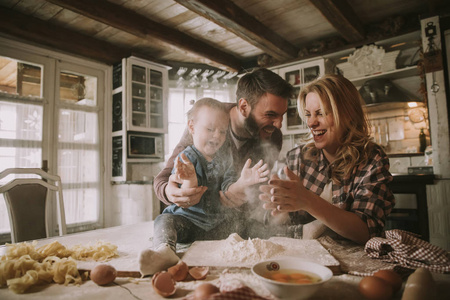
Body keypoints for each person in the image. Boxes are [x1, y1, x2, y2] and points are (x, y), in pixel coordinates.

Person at [153, 68, 294, 238]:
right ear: (243, 106)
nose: (279, 124)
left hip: (227, 223)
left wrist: (242, 193)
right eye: (270, 115)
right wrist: (170, 192)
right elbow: (163, 178)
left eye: (282, 115)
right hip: (194, 220)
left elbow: (255, 191)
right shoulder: (208, 119)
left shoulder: (273, 137)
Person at [259, 74, 395, 245]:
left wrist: (308, 200)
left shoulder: (371, 159)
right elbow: (277, 227)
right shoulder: (297, 158)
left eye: (321, 113)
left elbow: (367, 232)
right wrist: (277, 211)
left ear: (348, 114)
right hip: (303, 260)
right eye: (308, 114)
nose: (311, 123)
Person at [139, 98, 269, 276]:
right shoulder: (186, 157)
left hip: (217, 225)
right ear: (192, 127)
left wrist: (242, 183)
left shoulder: (225, 158)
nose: (217, 136)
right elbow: (186, 192)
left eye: (222, 131)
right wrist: (190, 179)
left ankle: (295, 232)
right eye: (210, 129)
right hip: (188, 223)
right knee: (164, 220)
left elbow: (228, 186)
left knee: (246, 222)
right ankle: (165, 251)